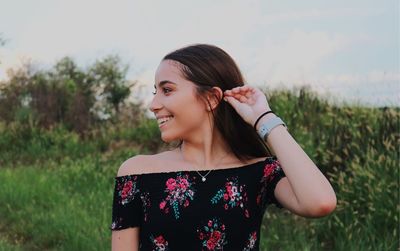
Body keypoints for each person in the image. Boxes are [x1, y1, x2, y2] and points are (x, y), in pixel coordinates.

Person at [110, 44, 337, 251]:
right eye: (155, 92)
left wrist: (263, 118)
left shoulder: (259, 172)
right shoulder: (136, 173)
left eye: (167, 90)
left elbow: (320, 202)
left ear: (211, 98)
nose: (153, 105)